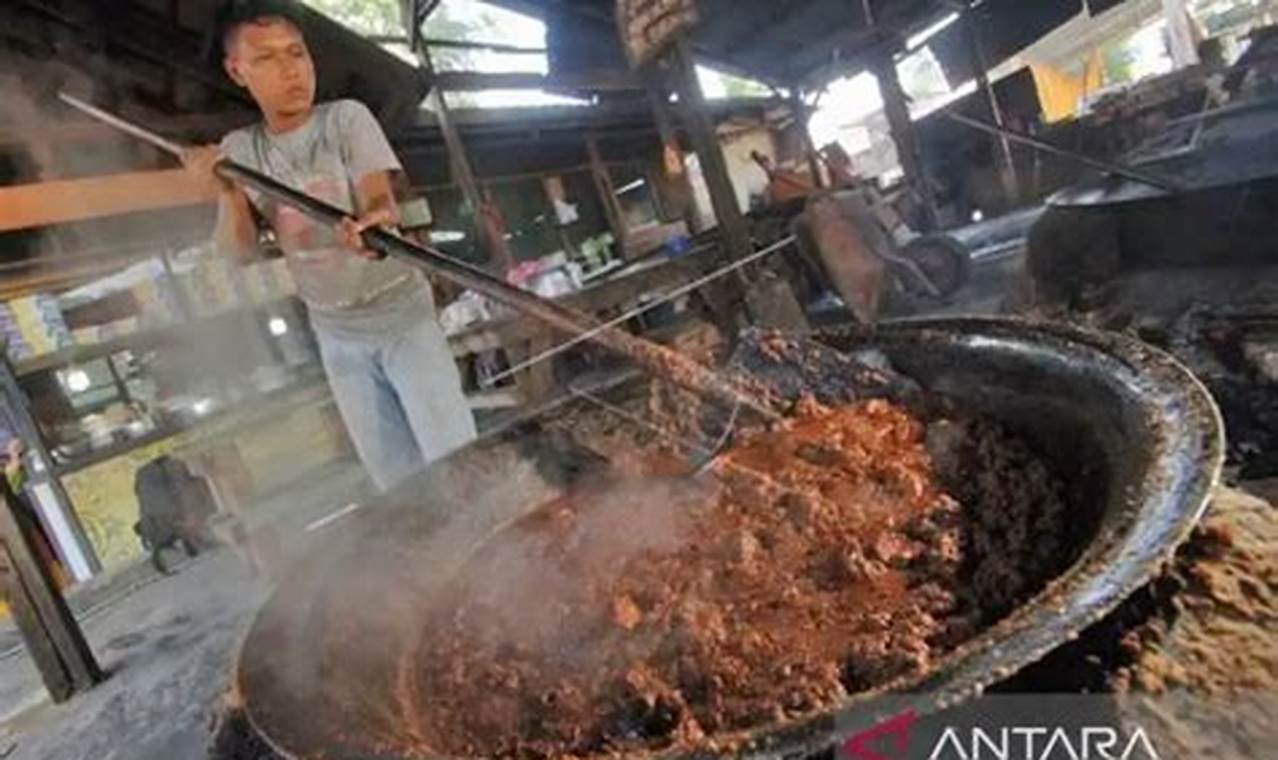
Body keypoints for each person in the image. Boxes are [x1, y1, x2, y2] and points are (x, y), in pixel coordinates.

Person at [182, 2, 476, 491]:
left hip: (401, 316)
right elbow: (238, 255)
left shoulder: (344, 120)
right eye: (267, 58)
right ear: (237, 71)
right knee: (398, 485)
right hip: (338, 337)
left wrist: (376, 224)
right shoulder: (240, 152)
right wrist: (227, 190)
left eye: (296, 53)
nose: (290, 69)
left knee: (457, 462)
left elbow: (378, 197)